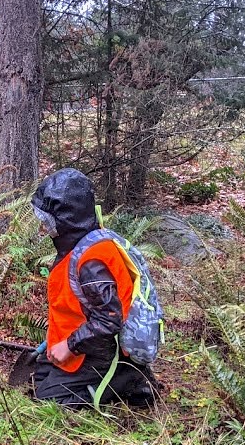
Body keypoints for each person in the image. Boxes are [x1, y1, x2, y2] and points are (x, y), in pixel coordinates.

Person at [30, 169, 161, 409]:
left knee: (49, 399)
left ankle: (128, 378)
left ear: (65, 219)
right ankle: (118, 372)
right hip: (84, 339)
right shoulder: (81, 243)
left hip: (101, 349)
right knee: (39, 378)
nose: (43, 226)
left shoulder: (91, 263)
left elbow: (109, 321)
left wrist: (68, 346)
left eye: (46, 220)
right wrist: (54, 341)